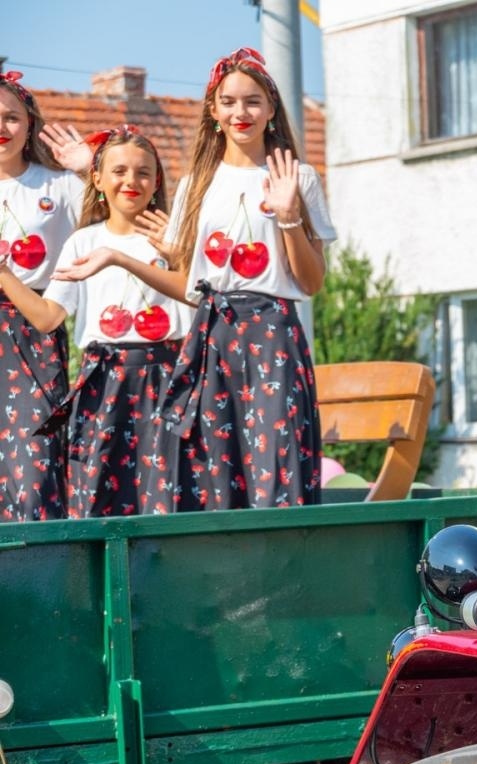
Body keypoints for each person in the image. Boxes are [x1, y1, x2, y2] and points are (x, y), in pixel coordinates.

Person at [151, 47, 334, 510]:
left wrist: (289, 216)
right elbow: (188, 285)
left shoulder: (299, 176)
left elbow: (312, 282)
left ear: (271, 110)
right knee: (212, 460)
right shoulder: (195, 184)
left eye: (253, 101)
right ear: (213, 112)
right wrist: (122, 259)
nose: (241, 112)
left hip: (273, 331)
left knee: (278, 458)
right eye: (229, 101)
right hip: (212, 333)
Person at [0, 126, 193, 517]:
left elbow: (198, 295)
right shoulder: (82, 241)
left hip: (165, 376)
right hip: (103, 381)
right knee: (97, 496)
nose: (131, 181)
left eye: (143, 172)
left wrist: (169, 253)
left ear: (157, 181)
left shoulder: (176, 236)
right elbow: (48, 317)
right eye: (118, 171)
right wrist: (4, 274)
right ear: (98, 180)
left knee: (165, 495)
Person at [0, 70, 87, 521]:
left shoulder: (59, 184)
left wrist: (89, 168)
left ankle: (41, 558)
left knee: (34, 460)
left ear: (30, 123)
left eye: (11, 117)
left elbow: (118, 214)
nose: (2, 127)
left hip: (33, 327)